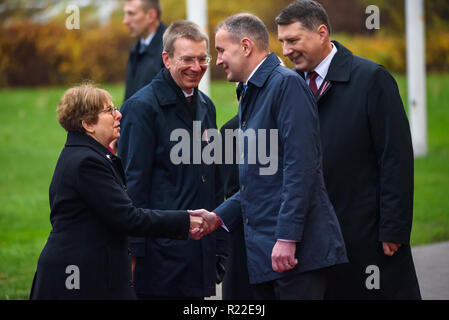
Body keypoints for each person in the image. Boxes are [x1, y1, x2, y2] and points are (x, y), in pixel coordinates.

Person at [190, 13, 348, 300]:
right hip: (269, 254)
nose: (219, 60)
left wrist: (287, 238)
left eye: (222, 50)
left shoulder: (286, 85)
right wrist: (218, 217)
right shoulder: (252, 91)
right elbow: (261, 178)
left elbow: (301, 169)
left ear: (246, 46)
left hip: (294, 254)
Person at [276, 0, 421, 299]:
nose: (286, 50)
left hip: (366, 236)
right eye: (282, 42)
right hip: (314, 240)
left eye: (293, 40)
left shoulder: (371, 79)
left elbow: (395, 157)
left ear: (321, 33)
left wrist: (394, 228)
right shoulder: (289, 86)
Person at [29, 84, 206, 300]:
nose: (118, 114)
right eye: (109, 110)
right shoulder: (86, 163)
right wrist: (186, 220)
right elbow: (127, 217)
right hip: (75, 277)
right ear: (88, 124)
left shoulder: (88, 155)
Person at [118, 20, 227, 300]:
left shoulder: (206, 106)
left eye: (202, 58)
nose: (196, 67)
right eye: (187, 59)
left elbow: (213, 177)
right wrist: (133, 252)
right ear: (166, 59)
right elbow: (132, 185)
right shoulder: (141, 108)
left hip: (200, 252)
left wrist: (218, 244)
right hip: (159, 257)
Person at [123, 0, 166, 100]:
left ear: (151, 15)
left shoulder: (172, 49)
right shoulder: (136, 49)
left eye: (131, 14)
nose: (125, 21)